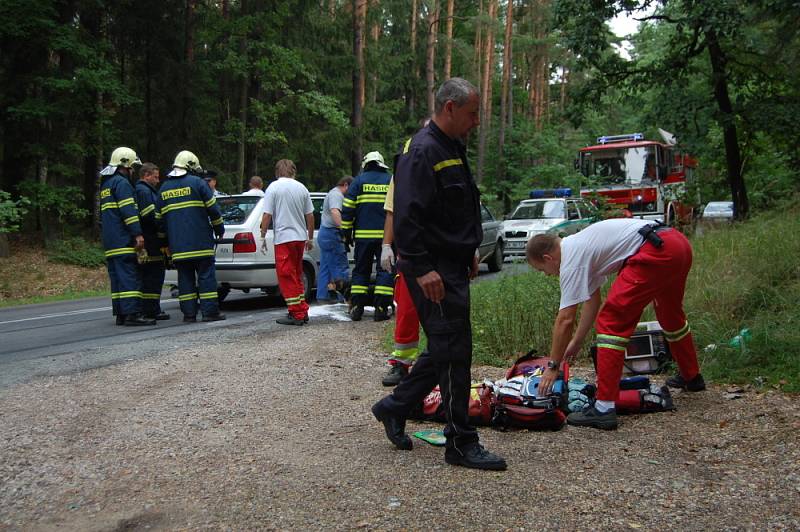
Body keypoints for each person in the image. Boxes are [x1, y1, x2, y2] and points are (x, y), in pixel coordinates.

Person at [371, 78, 506, 471]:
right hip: (431, 269)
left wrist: (470, 252)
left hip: (450, 264)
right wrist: (423, 266)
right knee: (454, 353)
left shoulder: (450, 147)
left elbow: (455, 208)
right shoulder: (423, 151)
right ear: (450, 108)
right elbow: (408, 215)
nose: (477, 121)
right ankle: (461, 443)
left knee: (446, 347)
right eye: (472, 113)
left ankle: (394, 407)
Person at [526, 218, 705, 431]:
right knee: (671, 316)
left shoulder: (571, 260)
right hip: (676, 244)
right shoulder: (580, 245)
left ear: (548, 258)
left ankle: (603, 408)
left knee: (611, 322)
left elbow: (565, 319)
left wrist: (552, 367)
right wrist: (576, 342)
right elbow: (593, 301)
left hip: (655, 250)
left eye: (542, 270)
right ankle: (692, 377)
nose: (546, 275)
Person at [158, 150, 226, 323]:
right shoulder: (198, 183)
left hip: (178, 247)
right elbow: (213, 209)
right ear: (190, 166)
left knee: (185, 279)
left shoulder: (164, 188)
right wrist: (219, 229)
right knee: (206, 278)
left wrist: (165, 241)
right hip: (201, 243)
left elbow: (159, 221)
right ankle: (209, 312)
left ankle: (189, 314)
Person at [99, 147, 156, 326]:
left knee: (116, 279)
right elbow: (128, 212)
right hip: (123, 238)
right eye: (132, 167)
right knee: (130, 276)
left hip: (110, 240)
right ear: (125, 165)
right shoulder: (122, 184)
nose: (132, 171)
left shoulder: (106, 185)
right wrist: (137, 234)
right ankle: (133, 314)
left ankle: (121, 314)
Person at [260, 159, 315, 326]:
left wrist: (262, 235)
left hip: (284, 238)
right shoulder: (302, 188)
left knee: (286, 275)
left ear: (277, 172)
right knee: (297, 274)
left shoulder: (273, 188)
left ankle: (296, 313)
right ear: (294, 171)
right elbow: (310, 216)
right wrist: (310, 237)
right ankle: (302, 309)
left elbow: (267, 215)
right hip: (299, 238)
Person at [341, 151, 394, 321]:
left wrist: (346, 234)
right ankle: (381, 308)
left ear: (366, 164)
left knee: (361, 271)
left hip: (363, 238)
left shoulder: (358, 182)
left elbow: (348, 209)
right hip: (386, 238)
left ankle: (357, 308)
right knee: (385, 269)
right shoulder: (390, 180)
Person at [379, 176, 421, 386]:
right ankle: (401, 364)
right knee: (406, 310)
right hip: (410, 253)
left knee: (444, 314)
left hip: (442, 252)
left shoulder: (448, 157)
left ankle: (443, 364)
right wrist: (386, 245)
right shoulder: (404, 170)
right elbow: (392, 211)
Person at [134, 162, 169, 321]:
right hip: (150, 240)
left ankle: (153, 308)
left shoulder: (148, 191)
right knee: (151, 276)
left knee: (156, 275)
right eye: (155, 177)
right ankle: (148, 309)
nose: (158, 180)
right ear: (146, 175)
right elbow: (149, 215)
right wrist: (164, 222)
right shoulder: (143, 191)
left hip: (153, 240)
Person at [316, 175, 352, 302]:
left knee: (325, 267)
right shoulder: (337, 195)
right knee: (340, 266)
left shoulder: (332, 193)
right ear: (346, 185)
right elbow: (335, 212)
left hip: (325, 234)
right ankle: (344, 297)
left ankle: (323, 297)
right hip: (332, 235)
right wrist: (345, 230)